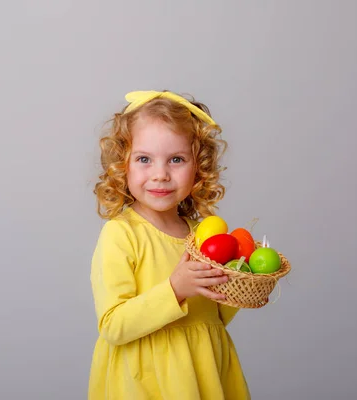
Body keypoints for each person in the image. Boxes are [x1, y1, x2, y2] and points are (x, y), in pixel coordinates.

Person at [88, 90, 250, 399]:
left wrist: (238, 287)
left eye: (176, 159)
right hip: (148, 381)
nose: (160, 175)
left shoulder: (201, 236)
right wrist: (174, 289)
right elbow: (113, 325)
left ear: (198, 167)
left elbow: (213, 320)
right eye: (144, 159)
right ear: (123, 165)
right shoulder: (122, 234)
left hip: (202, 371)